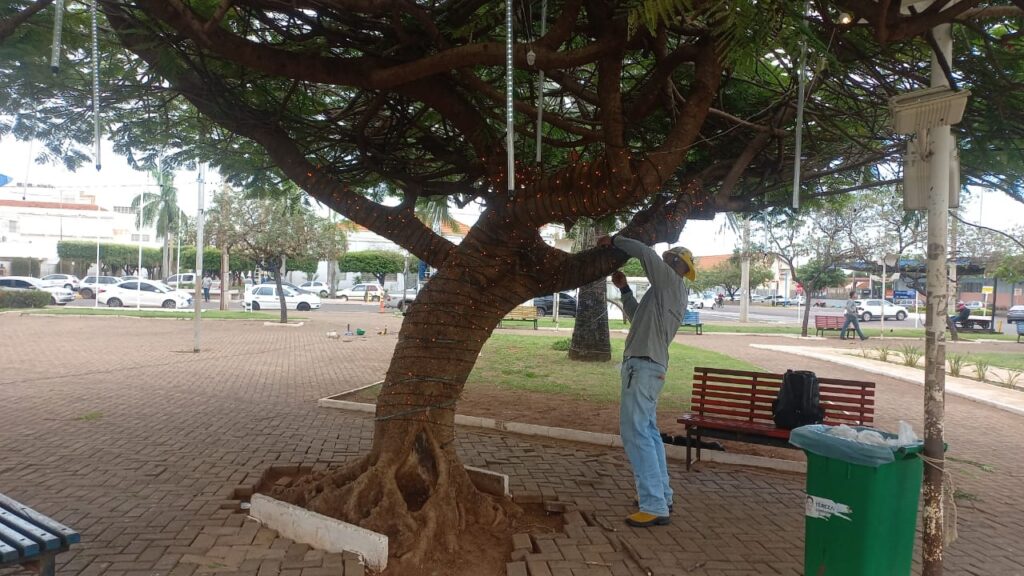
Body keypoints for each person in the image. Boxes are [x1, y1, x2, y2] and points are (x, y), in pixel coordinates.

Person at [600, 233, 694, 528]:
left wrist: (615, 240)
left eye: (669, 260)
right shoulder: (665, 292)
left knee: (635, 433)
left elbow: (645, 253)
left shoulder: (669, 282)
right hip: (650, 367)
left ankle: (653, 504)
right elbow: (635, 315)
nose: (663, 263)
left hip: (642, 367)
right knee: (649, 433)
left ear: (676, 264)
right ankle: (662, 495)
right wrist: (625, 289)